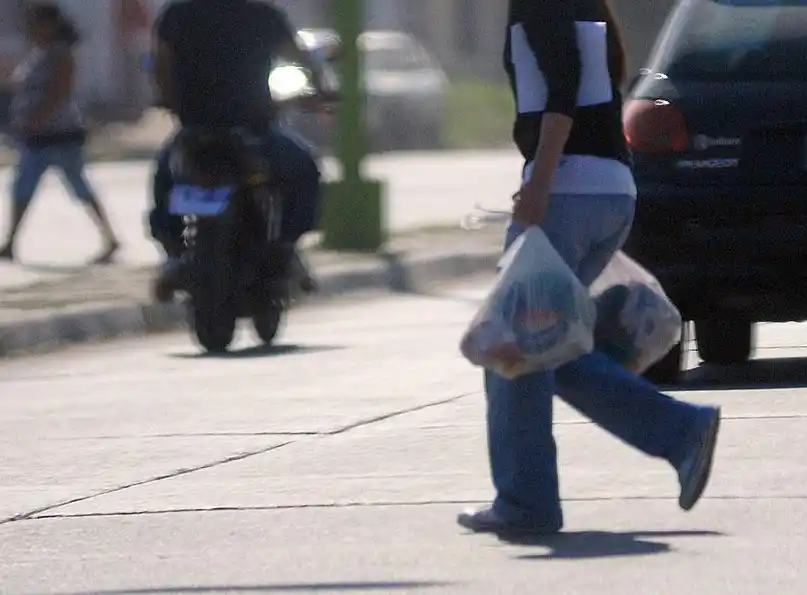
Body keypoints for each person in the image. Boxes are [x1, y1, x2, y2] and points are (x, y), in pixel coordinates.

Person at [457, 0, 721, 537]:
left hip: (568, 192)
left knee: (513, 348)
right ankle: (676, 432)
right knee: (545, 344)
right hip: (609, 192)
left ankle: (529, 502)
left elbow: (564, 84)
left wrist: (540, 182)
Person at [149, 0, 328, 299]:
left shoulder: (178, 14)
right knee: (305, 168)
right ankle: (287, 248)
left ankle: (172, 255)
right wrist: (320, 89)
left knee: (165, 177)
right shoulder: (263, 15)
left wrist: (169, 99)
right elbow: (300, 58)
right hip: (253, 129)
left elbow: (160, 64)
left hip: (197, 129)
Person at [1, 2, 120, 263]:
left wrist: (37, 118)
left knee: (78, 187)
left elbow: (60, 91)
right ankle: (10, 242)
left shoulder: (61, 53)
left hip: (59, 135)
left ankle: (110, 238)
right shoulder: (39, 54)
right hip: (37, 137)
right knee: (23, 187)